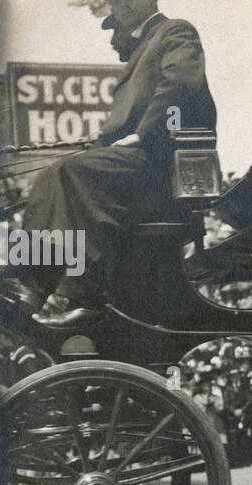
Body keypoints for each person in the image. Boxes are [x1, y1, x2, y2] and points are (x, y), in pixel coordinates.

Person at [26, 0, 217, 328]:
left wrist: (143, 134)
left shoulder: (175, 31)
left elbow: (181, 85)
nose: (113, 39)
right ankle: (42, 283)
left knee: (66, 173)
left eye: (115, 21)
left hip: (161, 167)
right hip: (140, 167)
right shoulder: (144, 50)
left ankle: (56, 288)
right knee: (54, 175)